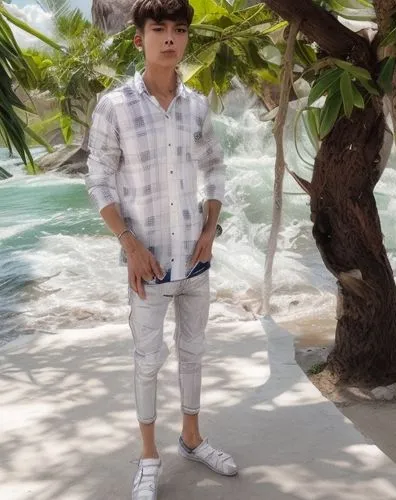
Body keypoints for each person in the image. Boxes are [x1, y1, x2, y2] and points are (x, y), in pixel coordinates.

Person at [86, 0, 237, 498]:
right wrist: (128, 245)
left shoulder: (196, 105)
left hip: (195, 259)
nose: (170, 38)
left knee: (193, 353)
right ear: (140, 39)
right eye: (159, 29)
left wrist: (210, 227)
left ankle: (192, 439)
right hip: (146, 264)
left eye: (178, 30)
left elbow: (214, 165)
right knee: (147, 359)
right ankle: (149, 457)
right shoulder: (114, 106)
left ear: (186, 39)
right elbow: (99, 180)